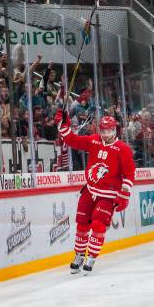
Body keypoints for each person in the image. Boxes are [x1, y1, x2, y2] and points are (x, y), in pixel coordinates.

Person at [55, 111, 136, 274]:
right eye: (103, 131)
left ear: (115, 130)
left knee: (98, 225)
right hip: (90, 190)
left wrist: (124, 195)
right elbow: (72, 140)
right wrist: (64, 125)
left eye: (109, 131)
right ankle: (79, 255)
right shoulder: (93, 140)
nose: (105, 134)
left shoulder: (122, 149)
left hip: (108, 195)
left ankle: (91, 256)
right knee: (82, 225)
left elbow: (129, 174)